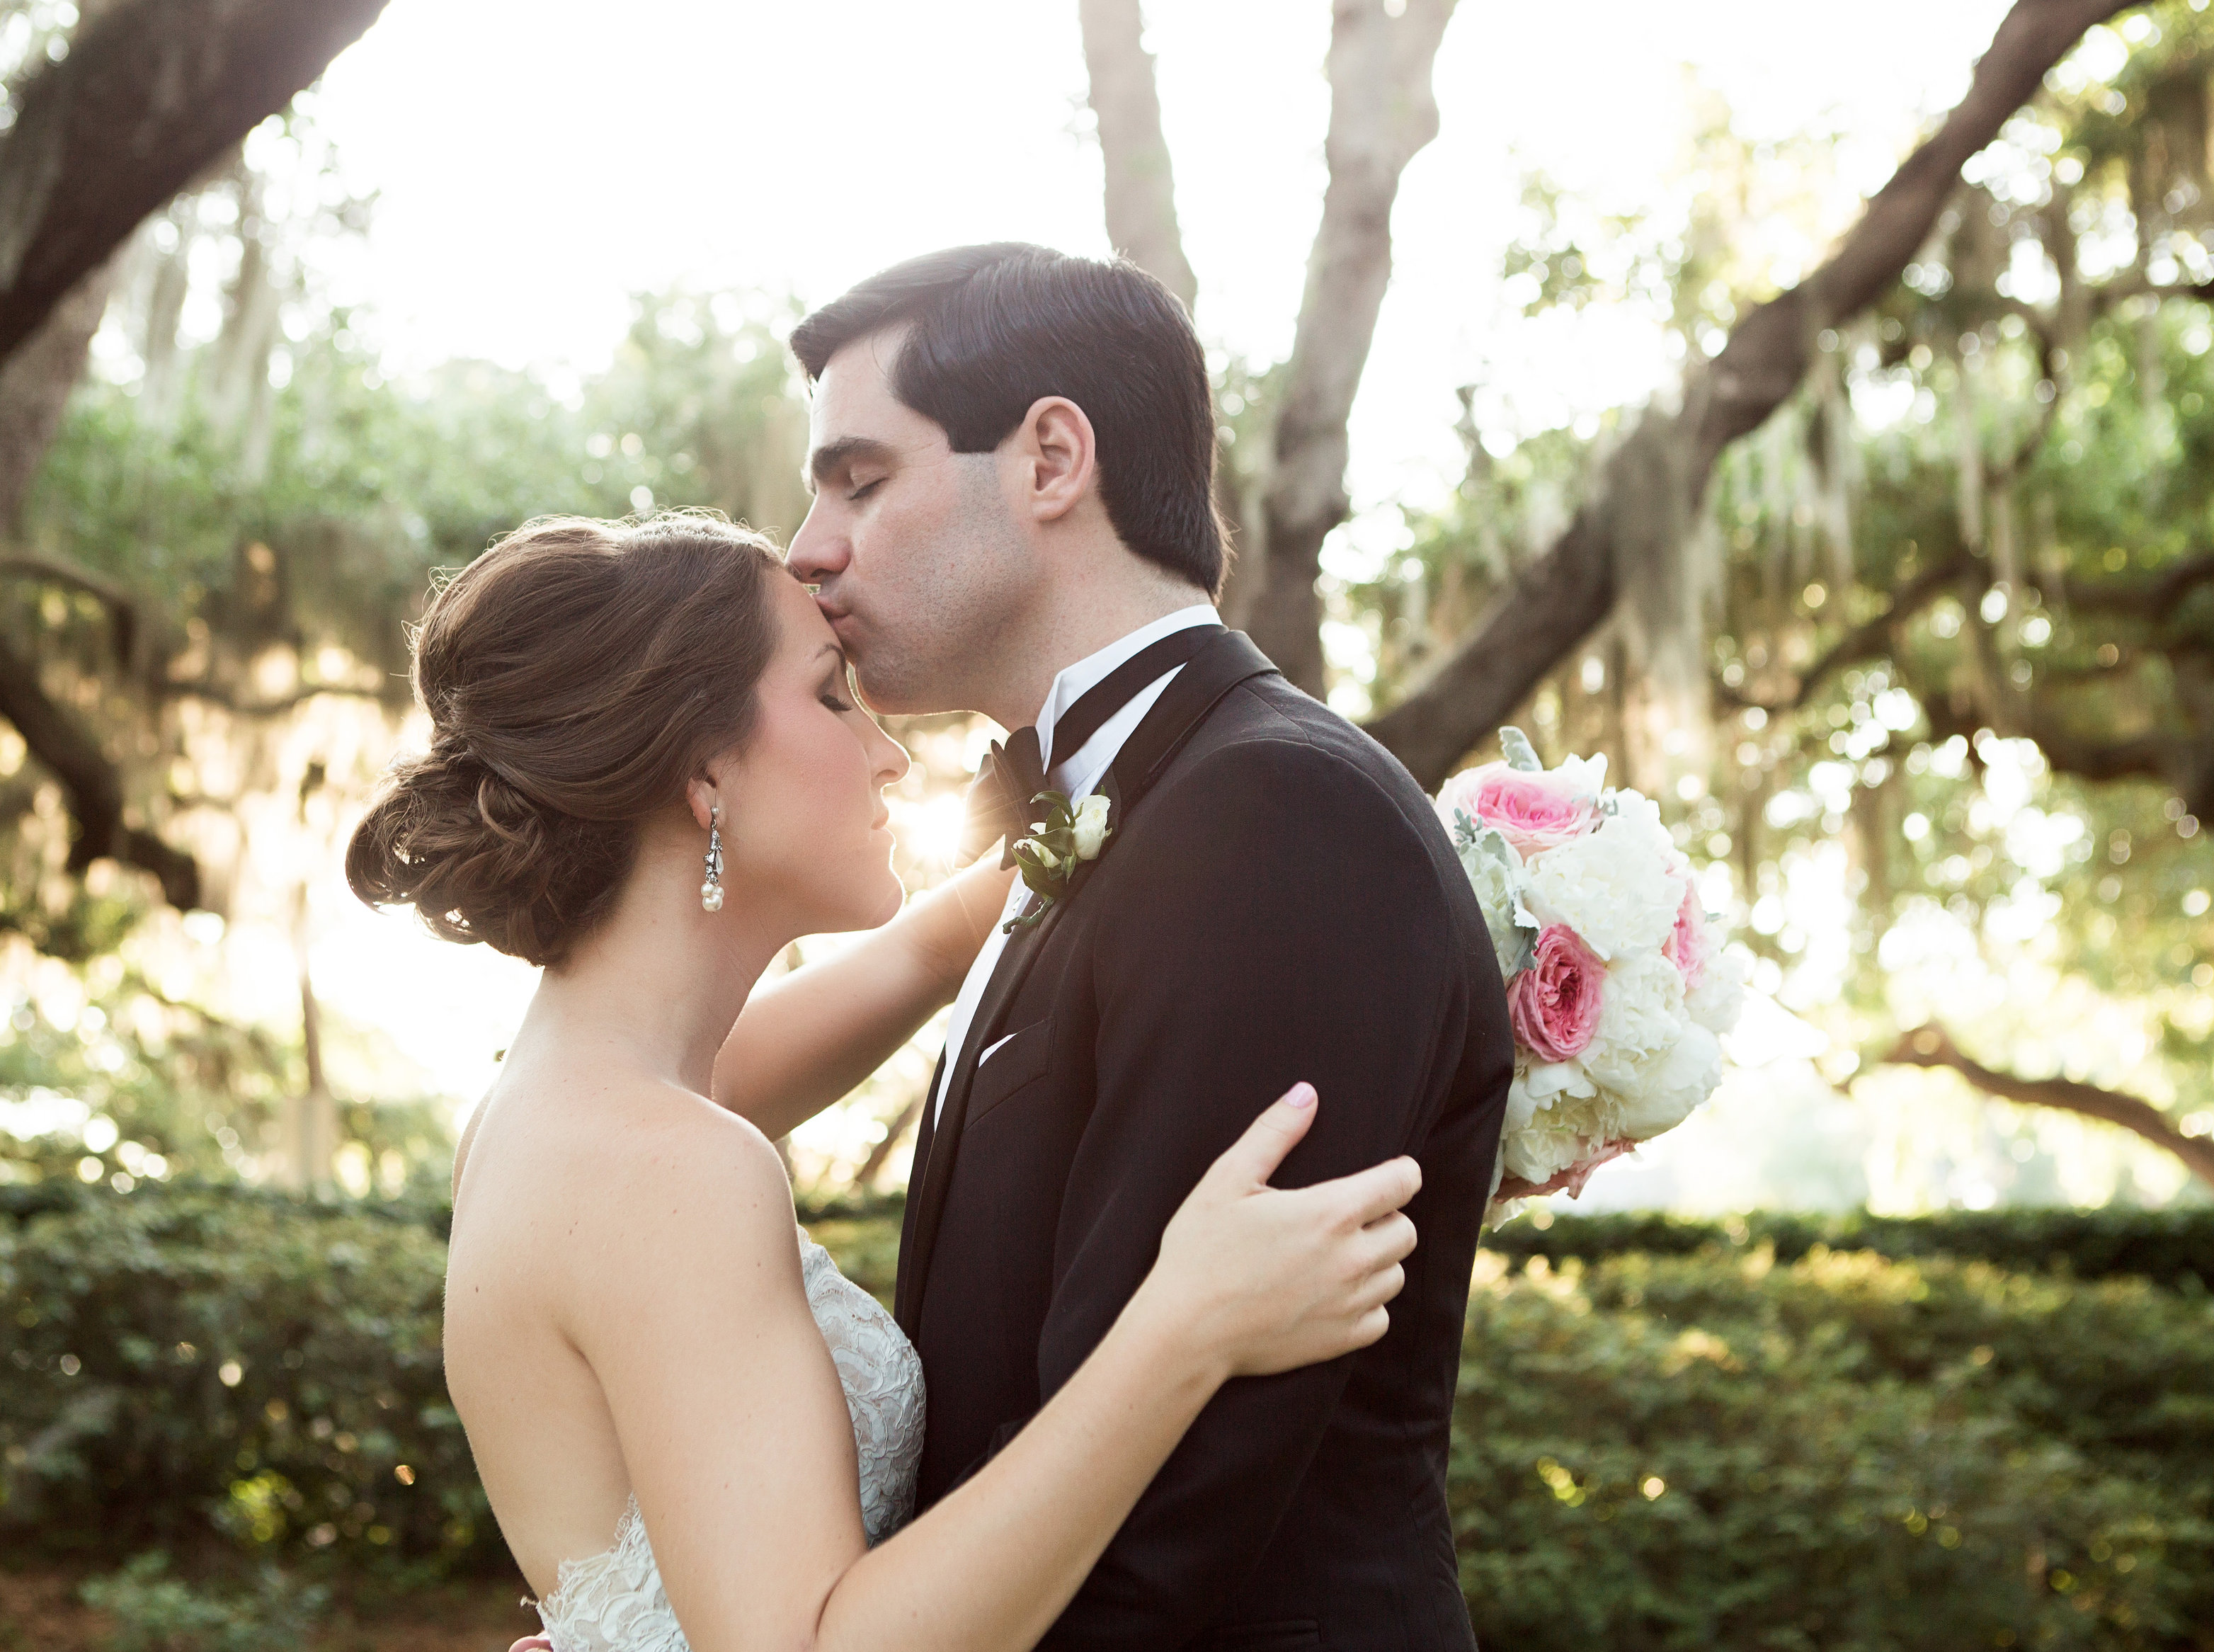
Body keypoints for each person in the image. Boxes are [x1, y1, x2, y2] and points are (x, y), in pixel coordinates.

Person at [348, 511, 1424, 1652]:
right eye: (828, 695)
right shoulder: (671, 1172)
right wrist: (1186, 1326)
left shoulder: (558, 1107)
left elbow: (919, 950)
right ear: (703, 774)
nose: (889, 752)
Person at [781, 243, 1513, 1649]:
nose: (810, 547)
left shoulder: (1278, 816)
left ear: (1052, 457)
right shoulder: (1105, 819)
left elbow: (1172, 1513)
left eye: (858, 480)